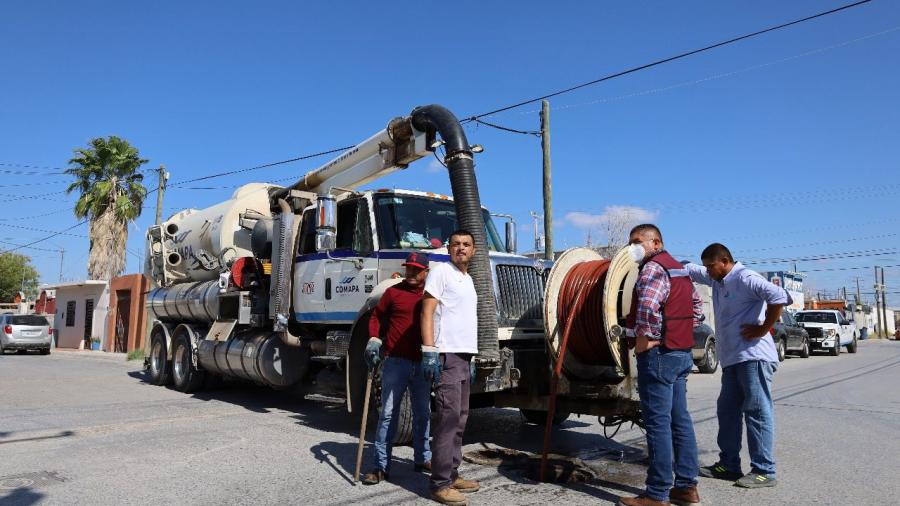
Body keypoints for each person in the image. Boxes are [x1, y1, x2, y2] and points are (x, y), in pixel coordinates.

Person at [684, 243, 790, 489]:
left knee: (756, 412)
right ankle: (729, 465)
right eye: (707, 267)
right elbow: (689, 269)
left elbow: (779, 296)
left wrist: (763, 328)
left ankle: (764, 471)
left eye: (711, 266)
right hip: (732, 359)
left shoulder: (745, 277)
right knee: (727, 411)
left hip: (754, 357)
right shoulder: (718, 280)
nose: (707, 271)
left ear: (724, 261)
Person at [618, 224, 703, 506]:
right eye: (630, 242)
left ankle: (656, 494)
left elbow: (646, 309)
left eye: (637, 241)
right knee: (680, 421)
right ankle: (686, 487)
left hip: (659, 356)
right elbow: (697, 313)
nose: (633, 247)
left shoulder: (653, 268)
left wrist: (647, 338)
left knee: (657, 425)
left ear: (656, 243)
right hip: (681, 354)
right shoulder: (680, 269)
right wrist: (674, 334)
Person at [361, 252, 432, 485]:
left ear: (426, 272)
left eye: (416, 269)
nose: (410, 273)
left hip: (423, 363)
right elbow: (376, 317)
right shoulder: (393, 292)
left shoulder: (431, 296)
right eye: (408, 268)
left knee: (423, 414)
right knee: (388, 415)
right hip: (395, 363)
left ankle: (423, 458)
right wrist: (374, 338)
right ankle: (380, 467)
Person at [421, 230, 480, 506]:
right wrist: (429, 350)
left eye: (466, 245)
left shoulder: (467, 279)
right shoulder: (440, 272)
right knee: (447, 420)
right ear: (448, 249)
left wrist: (473, 357)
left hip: (464, 356)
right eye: (456, 244)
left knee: (460, 419)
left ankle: (452, 473)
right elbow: (427, 310)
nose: (461, 249)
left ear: (474, 250)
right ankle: (439, 484)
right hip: (446, 355)